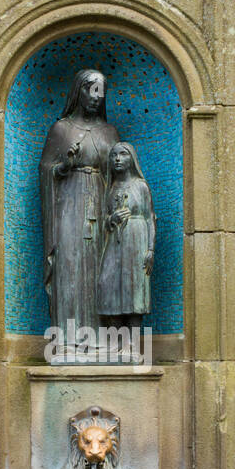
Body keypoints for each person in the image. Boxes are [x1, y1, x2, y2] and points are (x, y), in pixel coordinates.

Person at [38, 69, 120, 335]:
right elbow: (46, 170)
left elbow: (121, 171)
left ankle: (105, 336)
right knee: (69, 264)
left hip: (100, 202)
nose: (97, 97)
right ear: (79, 91)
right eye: (91, 90)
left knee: (102, 266)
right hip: (68, 204)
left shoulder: (109, 132)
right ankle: (68, 335)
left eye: (101, 92)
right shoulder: (61, 129)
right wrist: (63, 167)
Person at [97, 141, 156, 331]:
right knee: (108, 284)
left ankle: (132, 343)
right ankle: (115, 341)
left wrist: (150, 249)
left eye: (123, 154)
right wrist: (111, 219)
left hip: (137, 240)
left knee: (134, 289)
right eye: (114, 155)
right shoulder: (110, 187)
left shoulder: (141, 186)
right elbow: (103, 220)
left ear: (132, 159)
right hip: (114, 242)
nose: (117, 159)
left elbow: (149, 219)